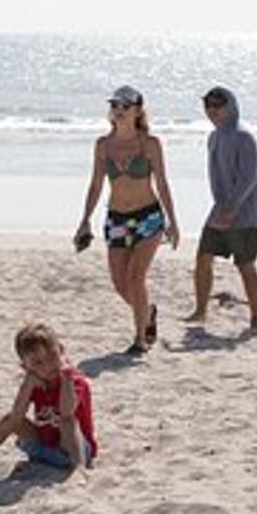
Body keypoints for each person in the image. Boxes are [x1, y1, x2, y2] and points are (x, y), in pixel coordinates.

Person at [75, 86, 180, 356]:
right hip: (117, 220)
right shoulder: (103, 145)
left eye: (125, 106)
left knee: (136, 278)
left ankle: (139, 339)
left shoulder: (150, 144)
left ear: (137, 111)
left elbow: (162, 183)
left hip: (148, 217)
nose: (118, 111)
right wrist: (85, 220)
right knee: (120, 285)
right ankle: (148, 312)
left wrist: (173, 221)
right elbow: (96, 184)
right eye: (115, 106)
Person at [0, 321, 97, 476]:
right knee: (11, 419)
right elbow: (16, 416)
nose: (47, 366)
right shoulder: (35, 381)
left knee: (67, 422)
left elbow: (67, 412)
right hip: (43, 450)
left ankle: (78, 469)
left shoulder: (74, 380)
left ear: (61, 351)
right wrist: (28, 385)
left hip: (73, 452)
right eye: (37, 363)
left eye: (52, 356)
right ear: (25, 367)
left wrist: (67, 378)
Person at [188, 85, 257, 331]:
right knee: (203, 258)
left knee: (245, 264)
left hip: (245, 212)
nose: (212, 110)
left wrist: (232, 208)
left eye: (217, 105)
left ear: (230, 106)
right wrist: (222, 208)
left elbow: (248, 178)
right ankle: (200, 311)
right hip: (219, 209)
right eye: (208, 106)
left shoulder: (244, 137)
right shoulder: (214, 137)